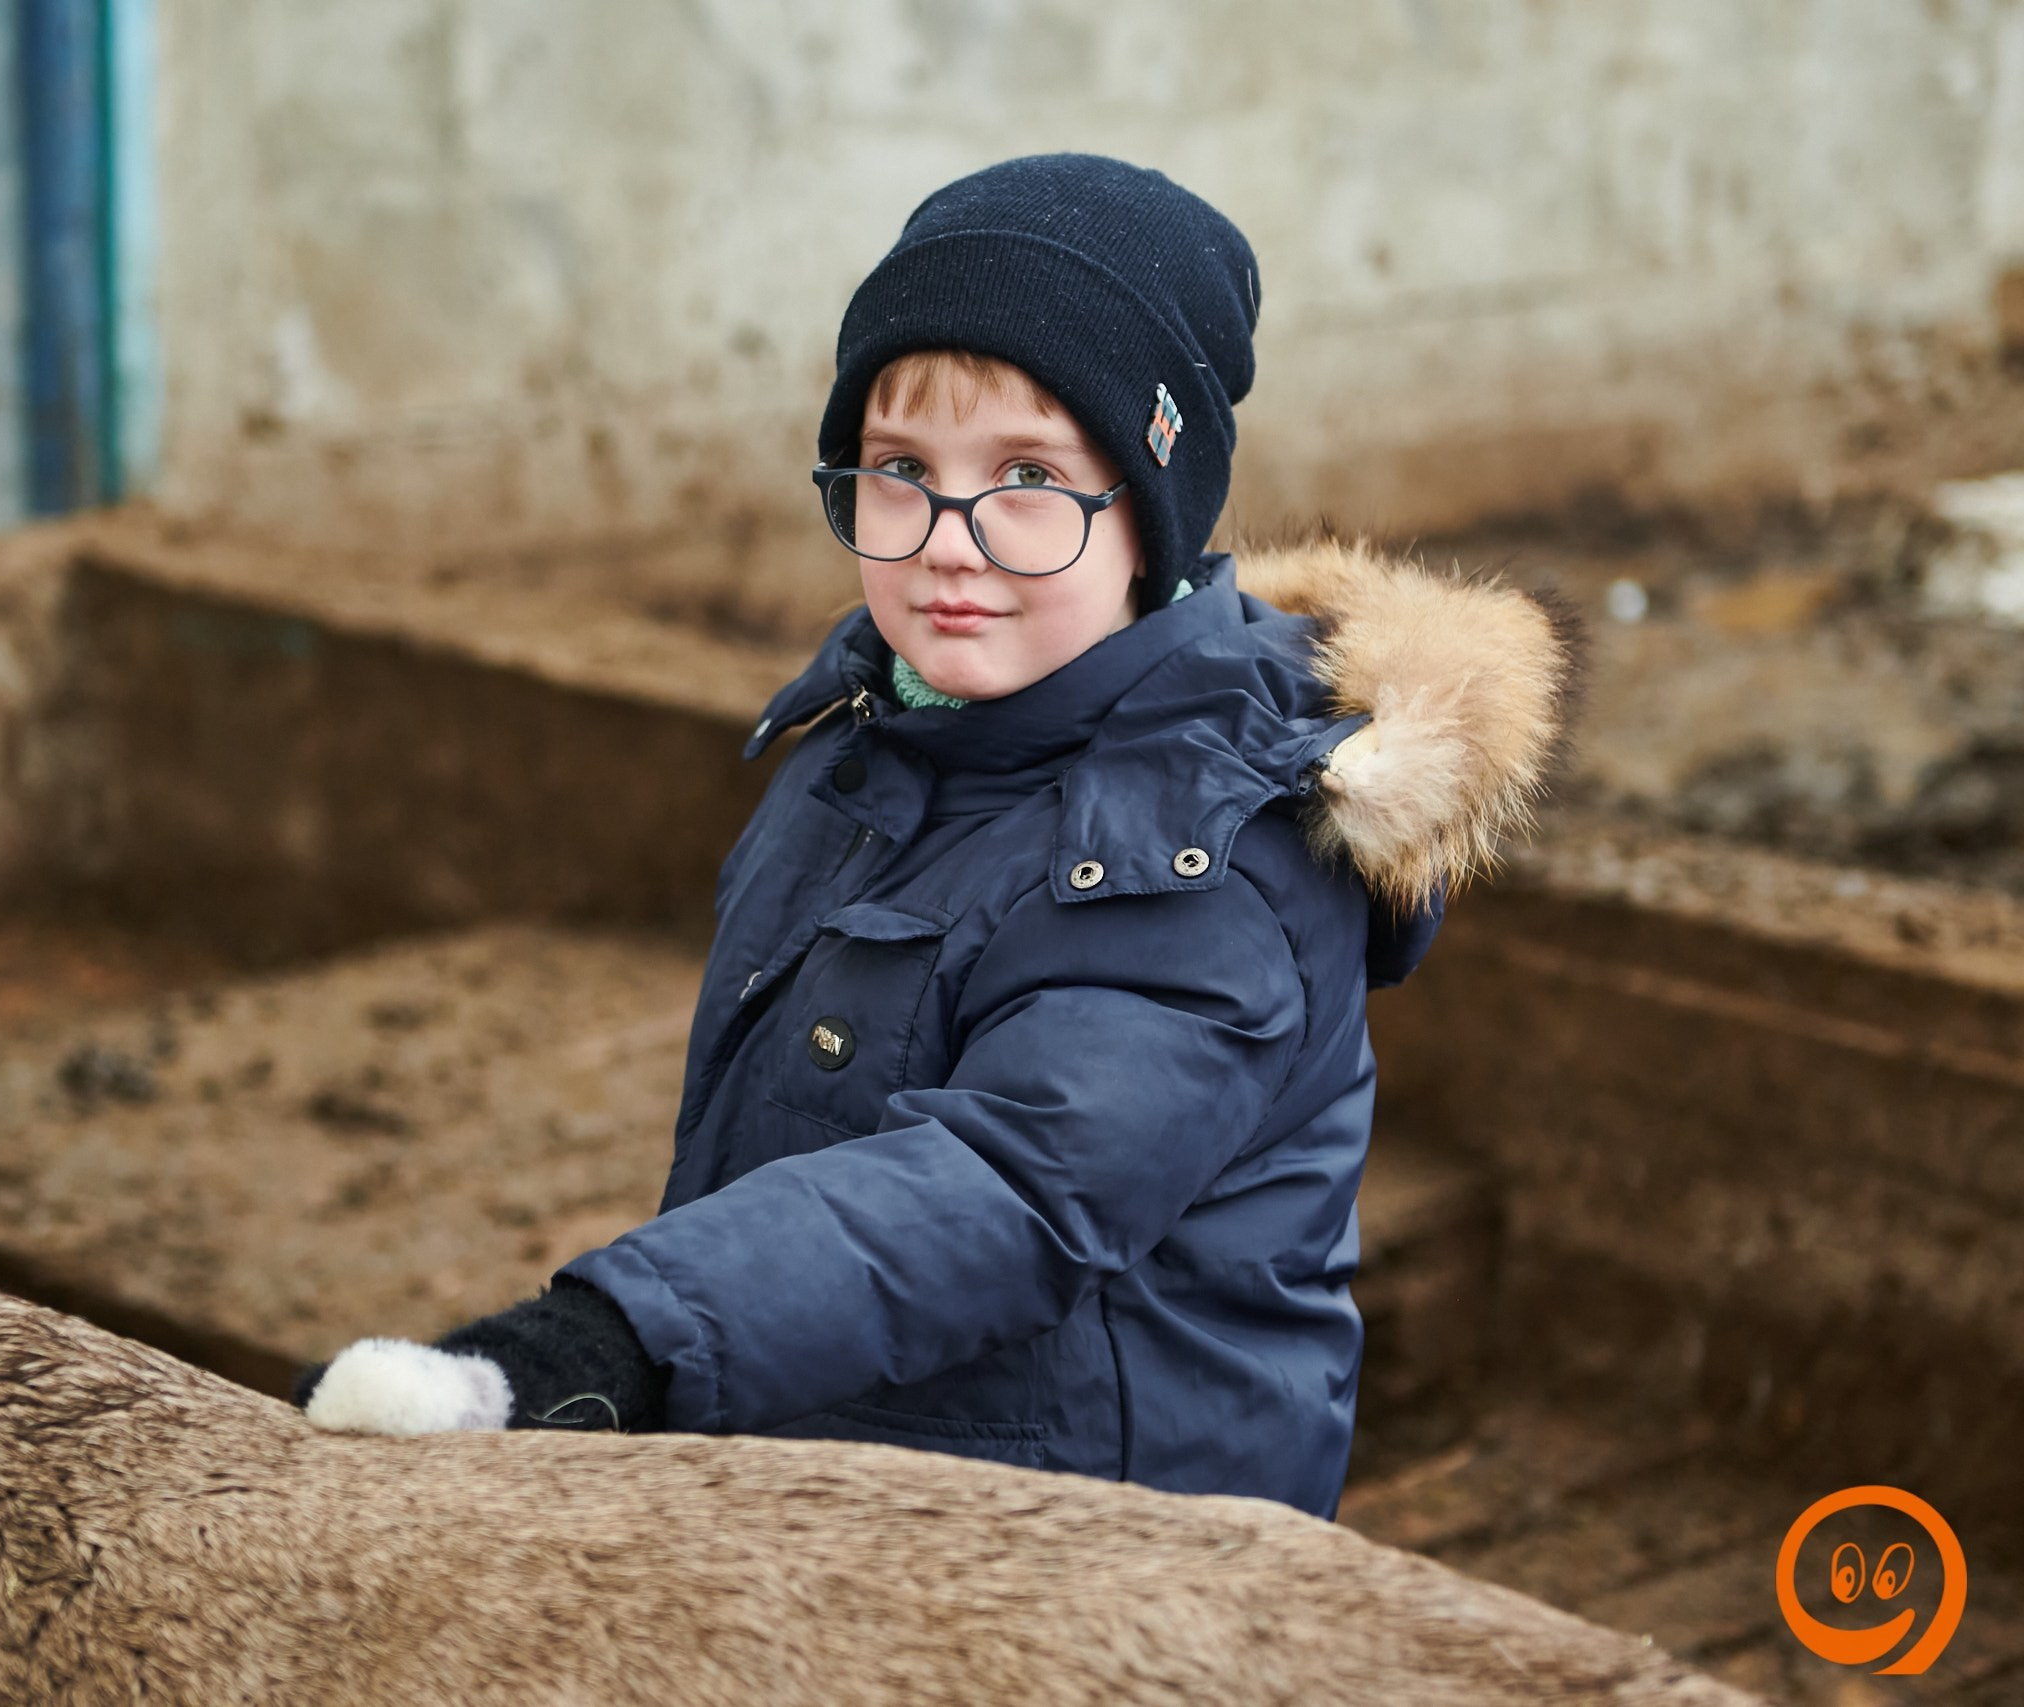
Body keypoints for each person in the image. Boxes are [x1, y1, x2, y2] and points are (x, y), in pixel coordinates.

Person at [294, 153, 1575, 1517]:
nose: (949, 541)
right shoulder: (874, 742)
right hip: (857, 1468)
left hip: (1102, 1544)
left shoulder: (1203, 854)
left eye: (1028, 476)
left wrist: (620, 1340)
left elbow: (1010, 1185)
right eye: (901, 470)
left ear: (1149, 515)